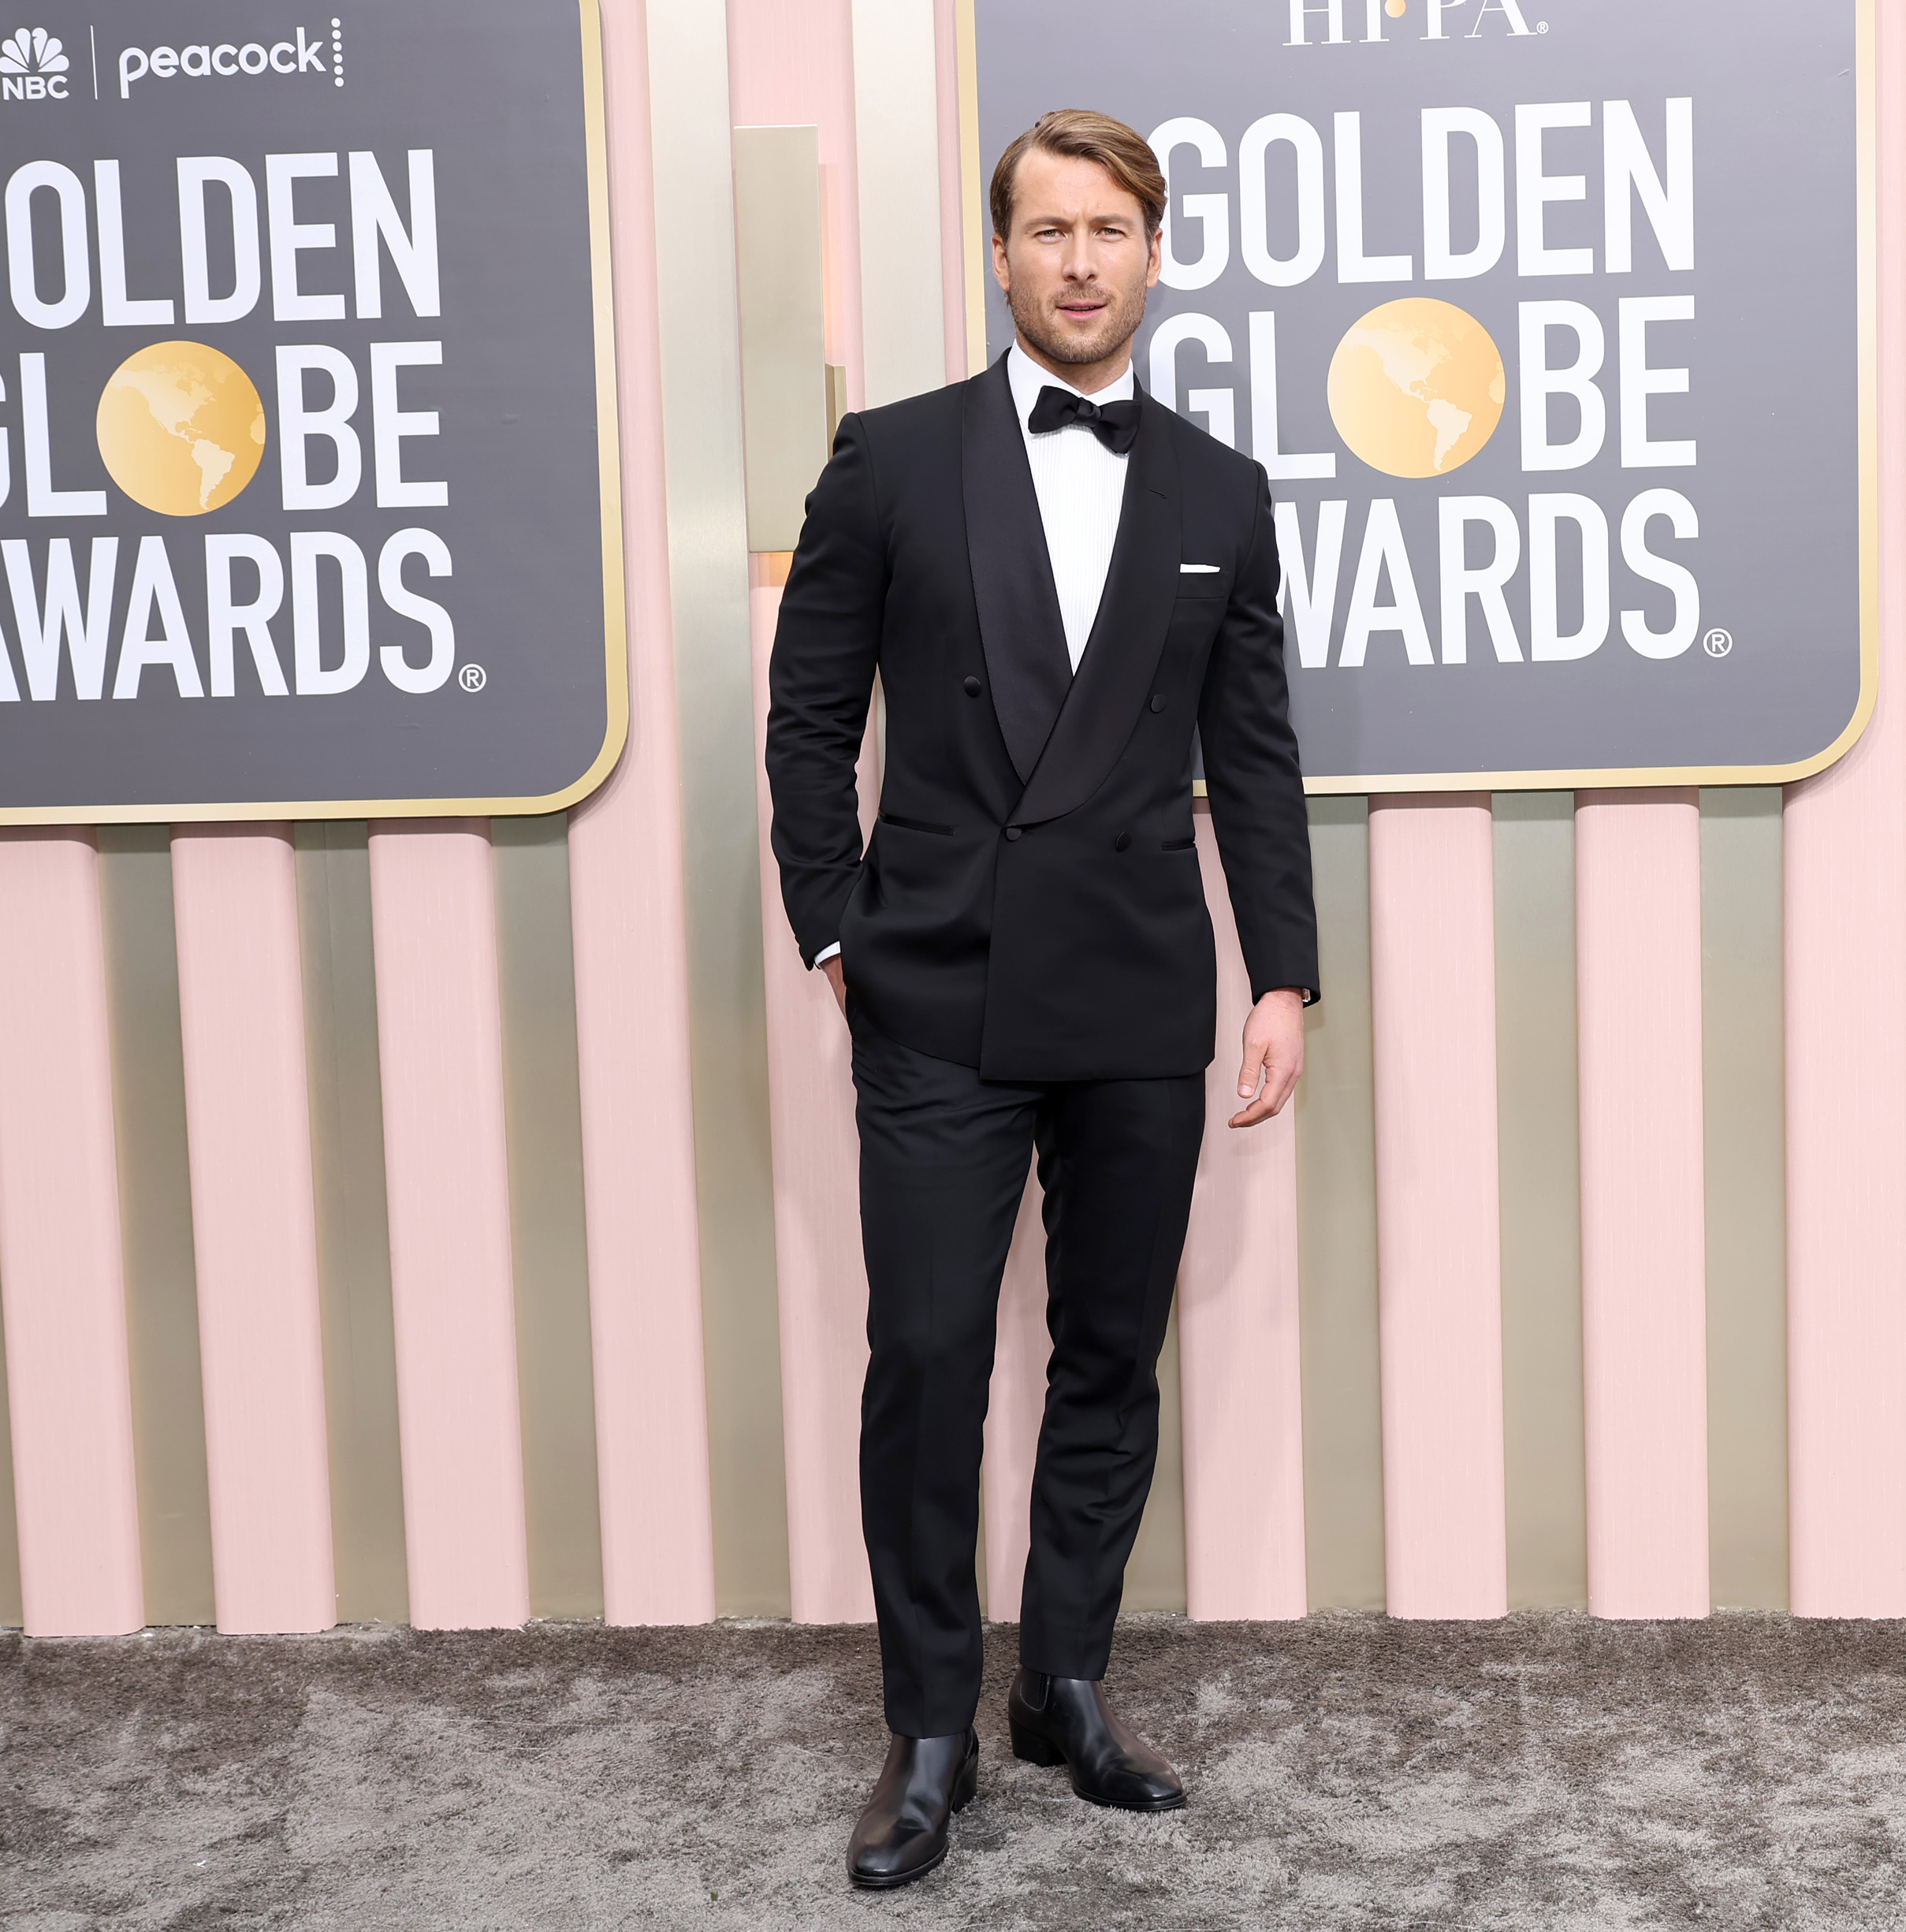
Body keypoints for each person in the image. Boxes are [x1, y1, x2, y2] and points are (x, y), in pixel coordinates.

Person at [763, 107, 1321, 1889]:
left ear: (1153, 255)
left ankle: (1062, 1679)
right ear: (999, 259)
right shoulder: (892, 461)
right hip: (931, 984)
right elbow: (806, 714)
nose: (1080, 259)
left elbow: (1257, 754)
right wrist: (836, 925)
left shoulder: (1222, 490)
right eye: (1047, 230)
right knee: (924, 1354)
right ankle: (927, 1721)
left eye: (1111, 229)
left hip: (1141, 982)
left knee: (1108, 1353)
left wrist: (1285, 970)